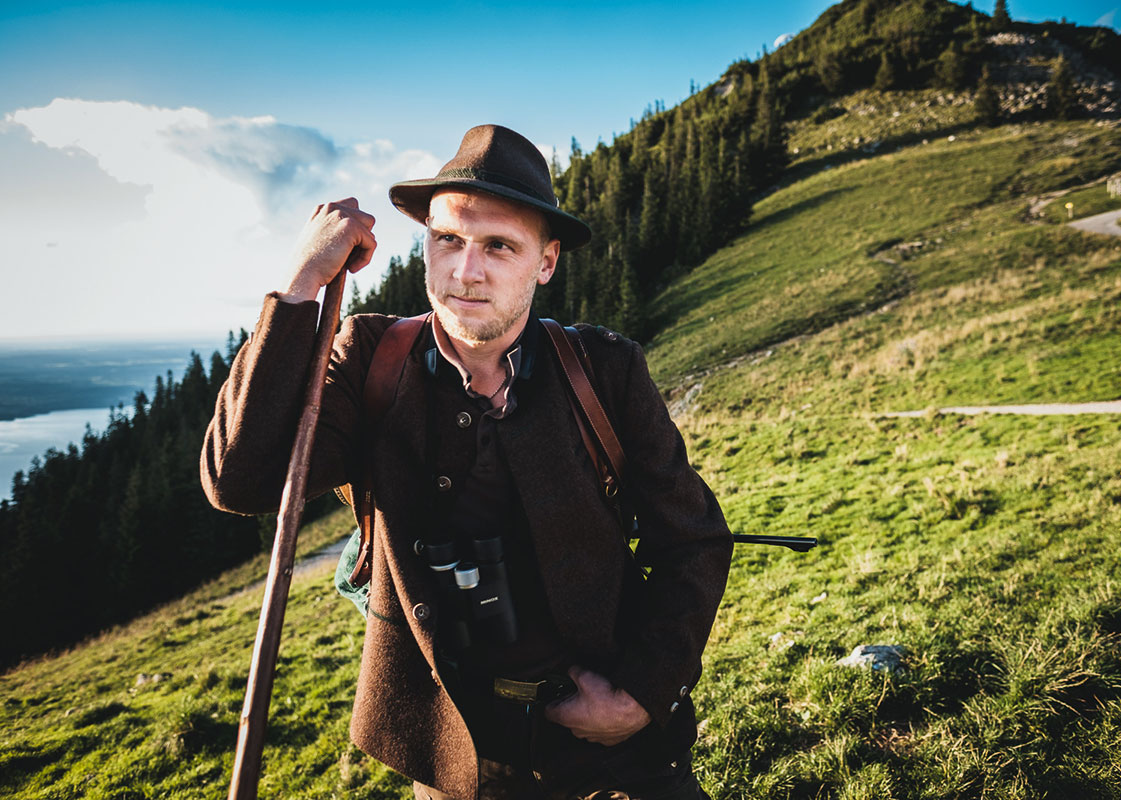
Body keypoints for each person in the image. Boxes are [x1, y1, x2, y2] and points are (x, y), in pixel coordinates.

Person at [202, 124, 733, 800]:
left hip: (616, 754)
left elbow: (693, 539)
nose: (465, 271)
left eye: (499, 247)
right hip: (458, 759)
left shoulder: (604, 369)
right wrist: (301, 282)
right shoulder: (370, 359)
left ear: (546, 262)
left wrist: (640, 695)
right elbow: (239, 479)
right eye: (447, 239)